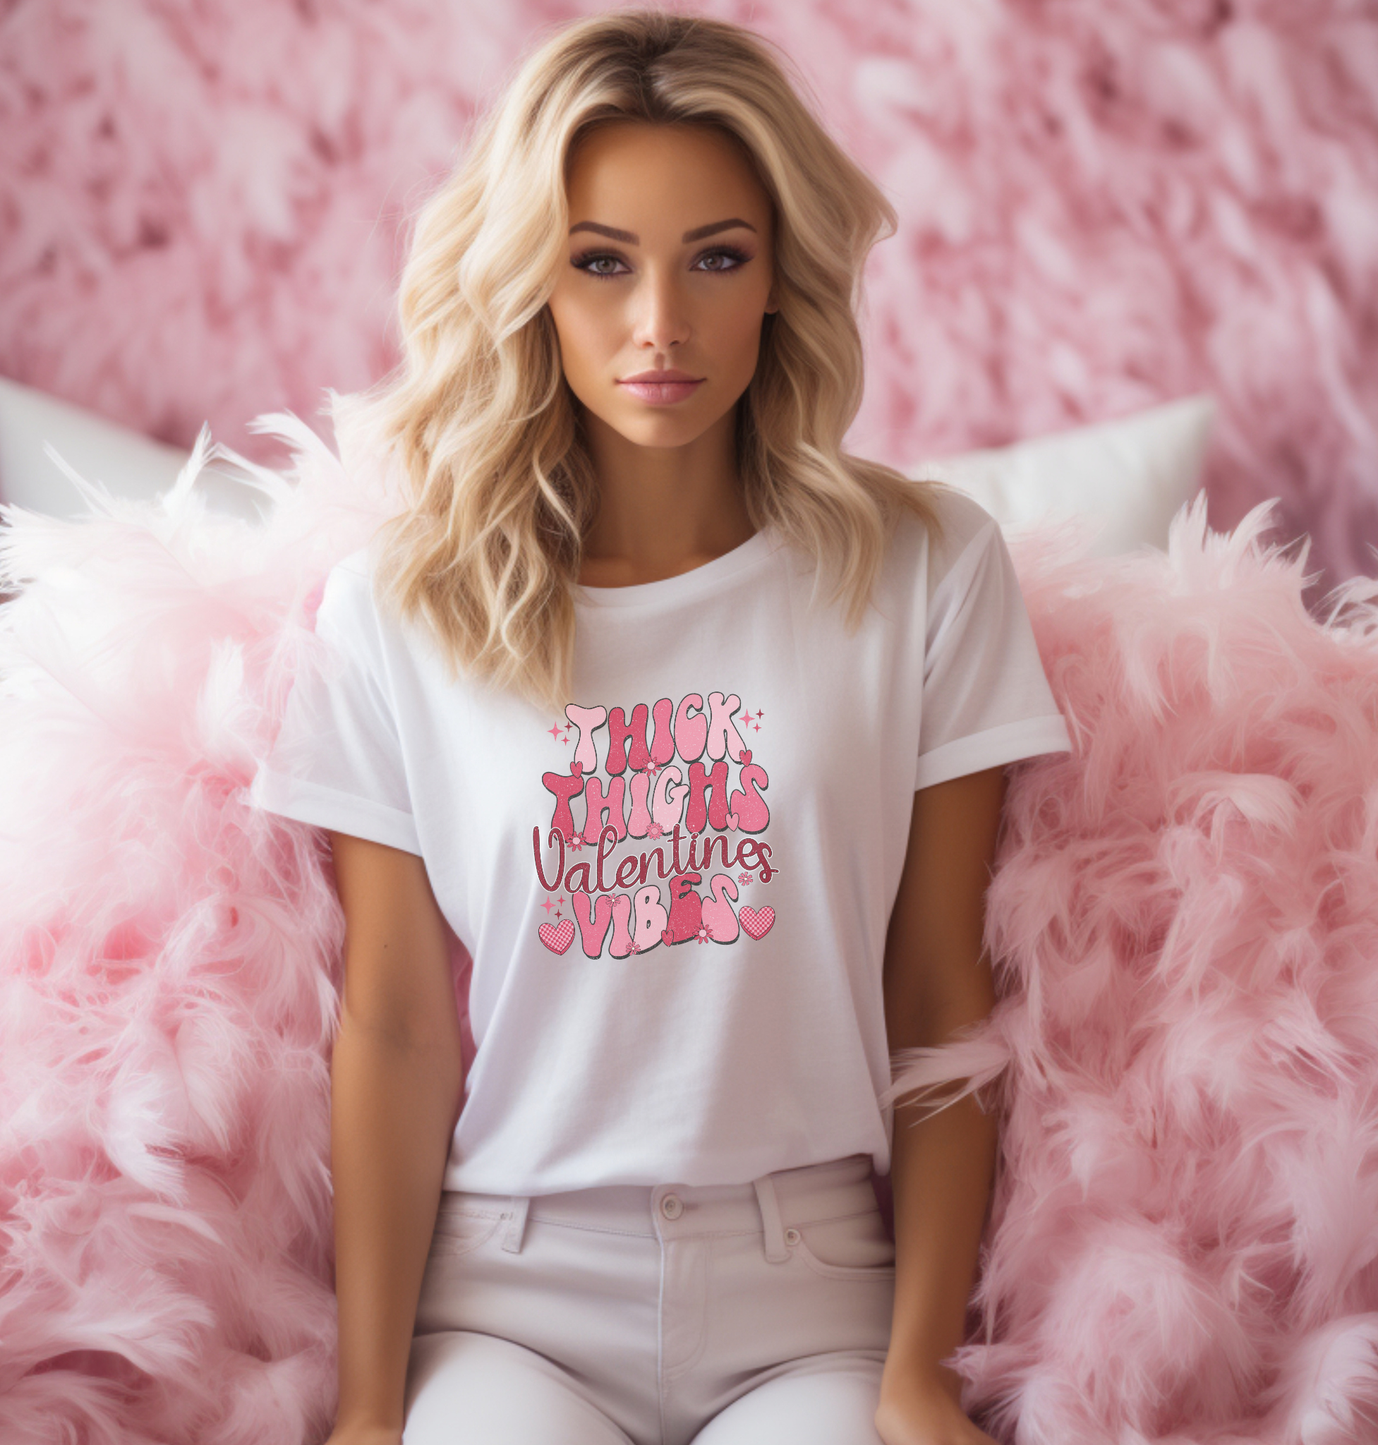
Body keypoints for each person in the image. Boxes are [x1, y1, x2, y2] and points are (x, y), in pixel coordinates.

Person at [249, 11, 1072, 1445]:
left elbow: (941, 998)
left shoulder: (928, 568)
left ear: (780, 276)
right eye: (599, 261)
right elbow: (389, 1025)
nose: (660, 327)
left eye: (716, 257)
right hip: (511, 1293)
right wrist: (370, 1411)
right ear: (529, 283)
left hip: (812, 1289)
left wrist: (918, 1376)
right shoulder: (401, 607)